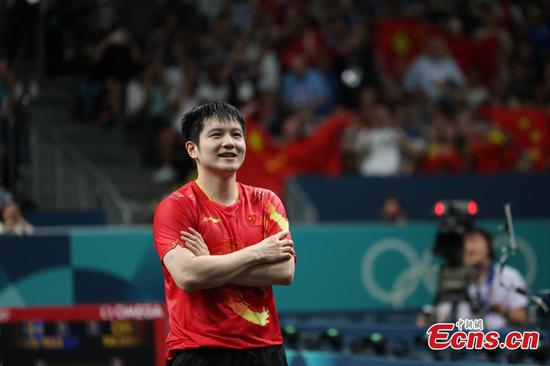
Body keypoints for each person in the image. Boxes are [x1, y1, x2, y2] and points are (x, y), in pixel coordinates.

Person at [153, 102, 295, 366]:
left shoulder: (267, 202)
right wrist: (258, 253)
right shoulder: (175, 206)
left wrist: (211, 263)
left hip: (265, 351)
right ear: (192, 149)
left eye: (236, 135)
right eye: (217, 135)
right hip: (199, 351)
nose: (229, 142)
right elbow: (188, 275)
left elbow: (284, 272)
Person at [434, 228, 528, 329]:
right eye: (463, 243)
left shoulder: (508, 276)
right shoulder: (453, 278)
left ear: (489, 246)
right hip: (463, 339)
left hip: (499, 340)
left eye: (473, 241)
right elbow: (442, 318)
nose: (467, 247)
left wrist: (504, 311)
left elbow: (522, 319)